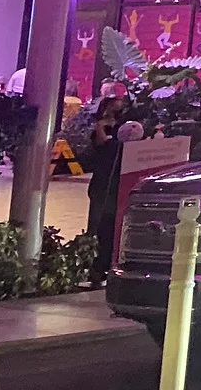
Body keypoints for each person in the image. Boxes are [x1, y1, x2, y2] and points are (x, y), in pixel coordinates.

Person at [83, 96, 126, 285]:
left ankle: (108, 265)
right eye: (113, 107)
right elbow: (100, 144)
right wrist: (101, 125)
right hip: (102, 181)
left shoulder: (126, 128)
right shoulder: (100, 127)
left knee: (111, 227)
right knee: (97, 224)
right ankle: (94, 267)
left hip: (118, 182)